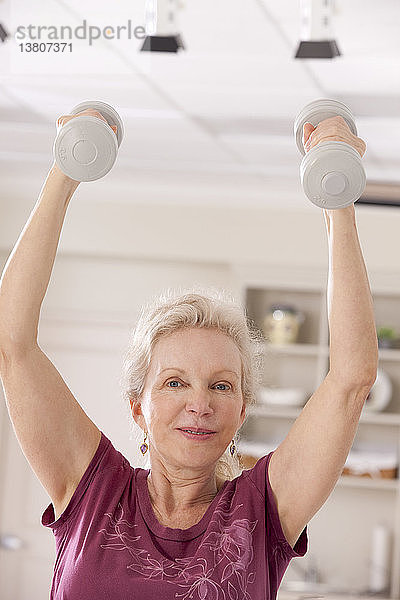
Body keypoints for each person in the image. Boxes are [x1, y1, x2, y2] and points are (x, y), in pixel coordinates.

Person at [0, 108, 378, 600]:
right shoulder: (92, 490)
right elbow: (12, 343)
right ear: (139, 405)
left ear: (241, 410)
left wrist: (338, 203)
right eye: (175, 382)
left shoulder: (262, 510)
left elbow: (351, 378)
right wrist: (65, 172)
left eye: (221, 385)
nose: (199, 404)